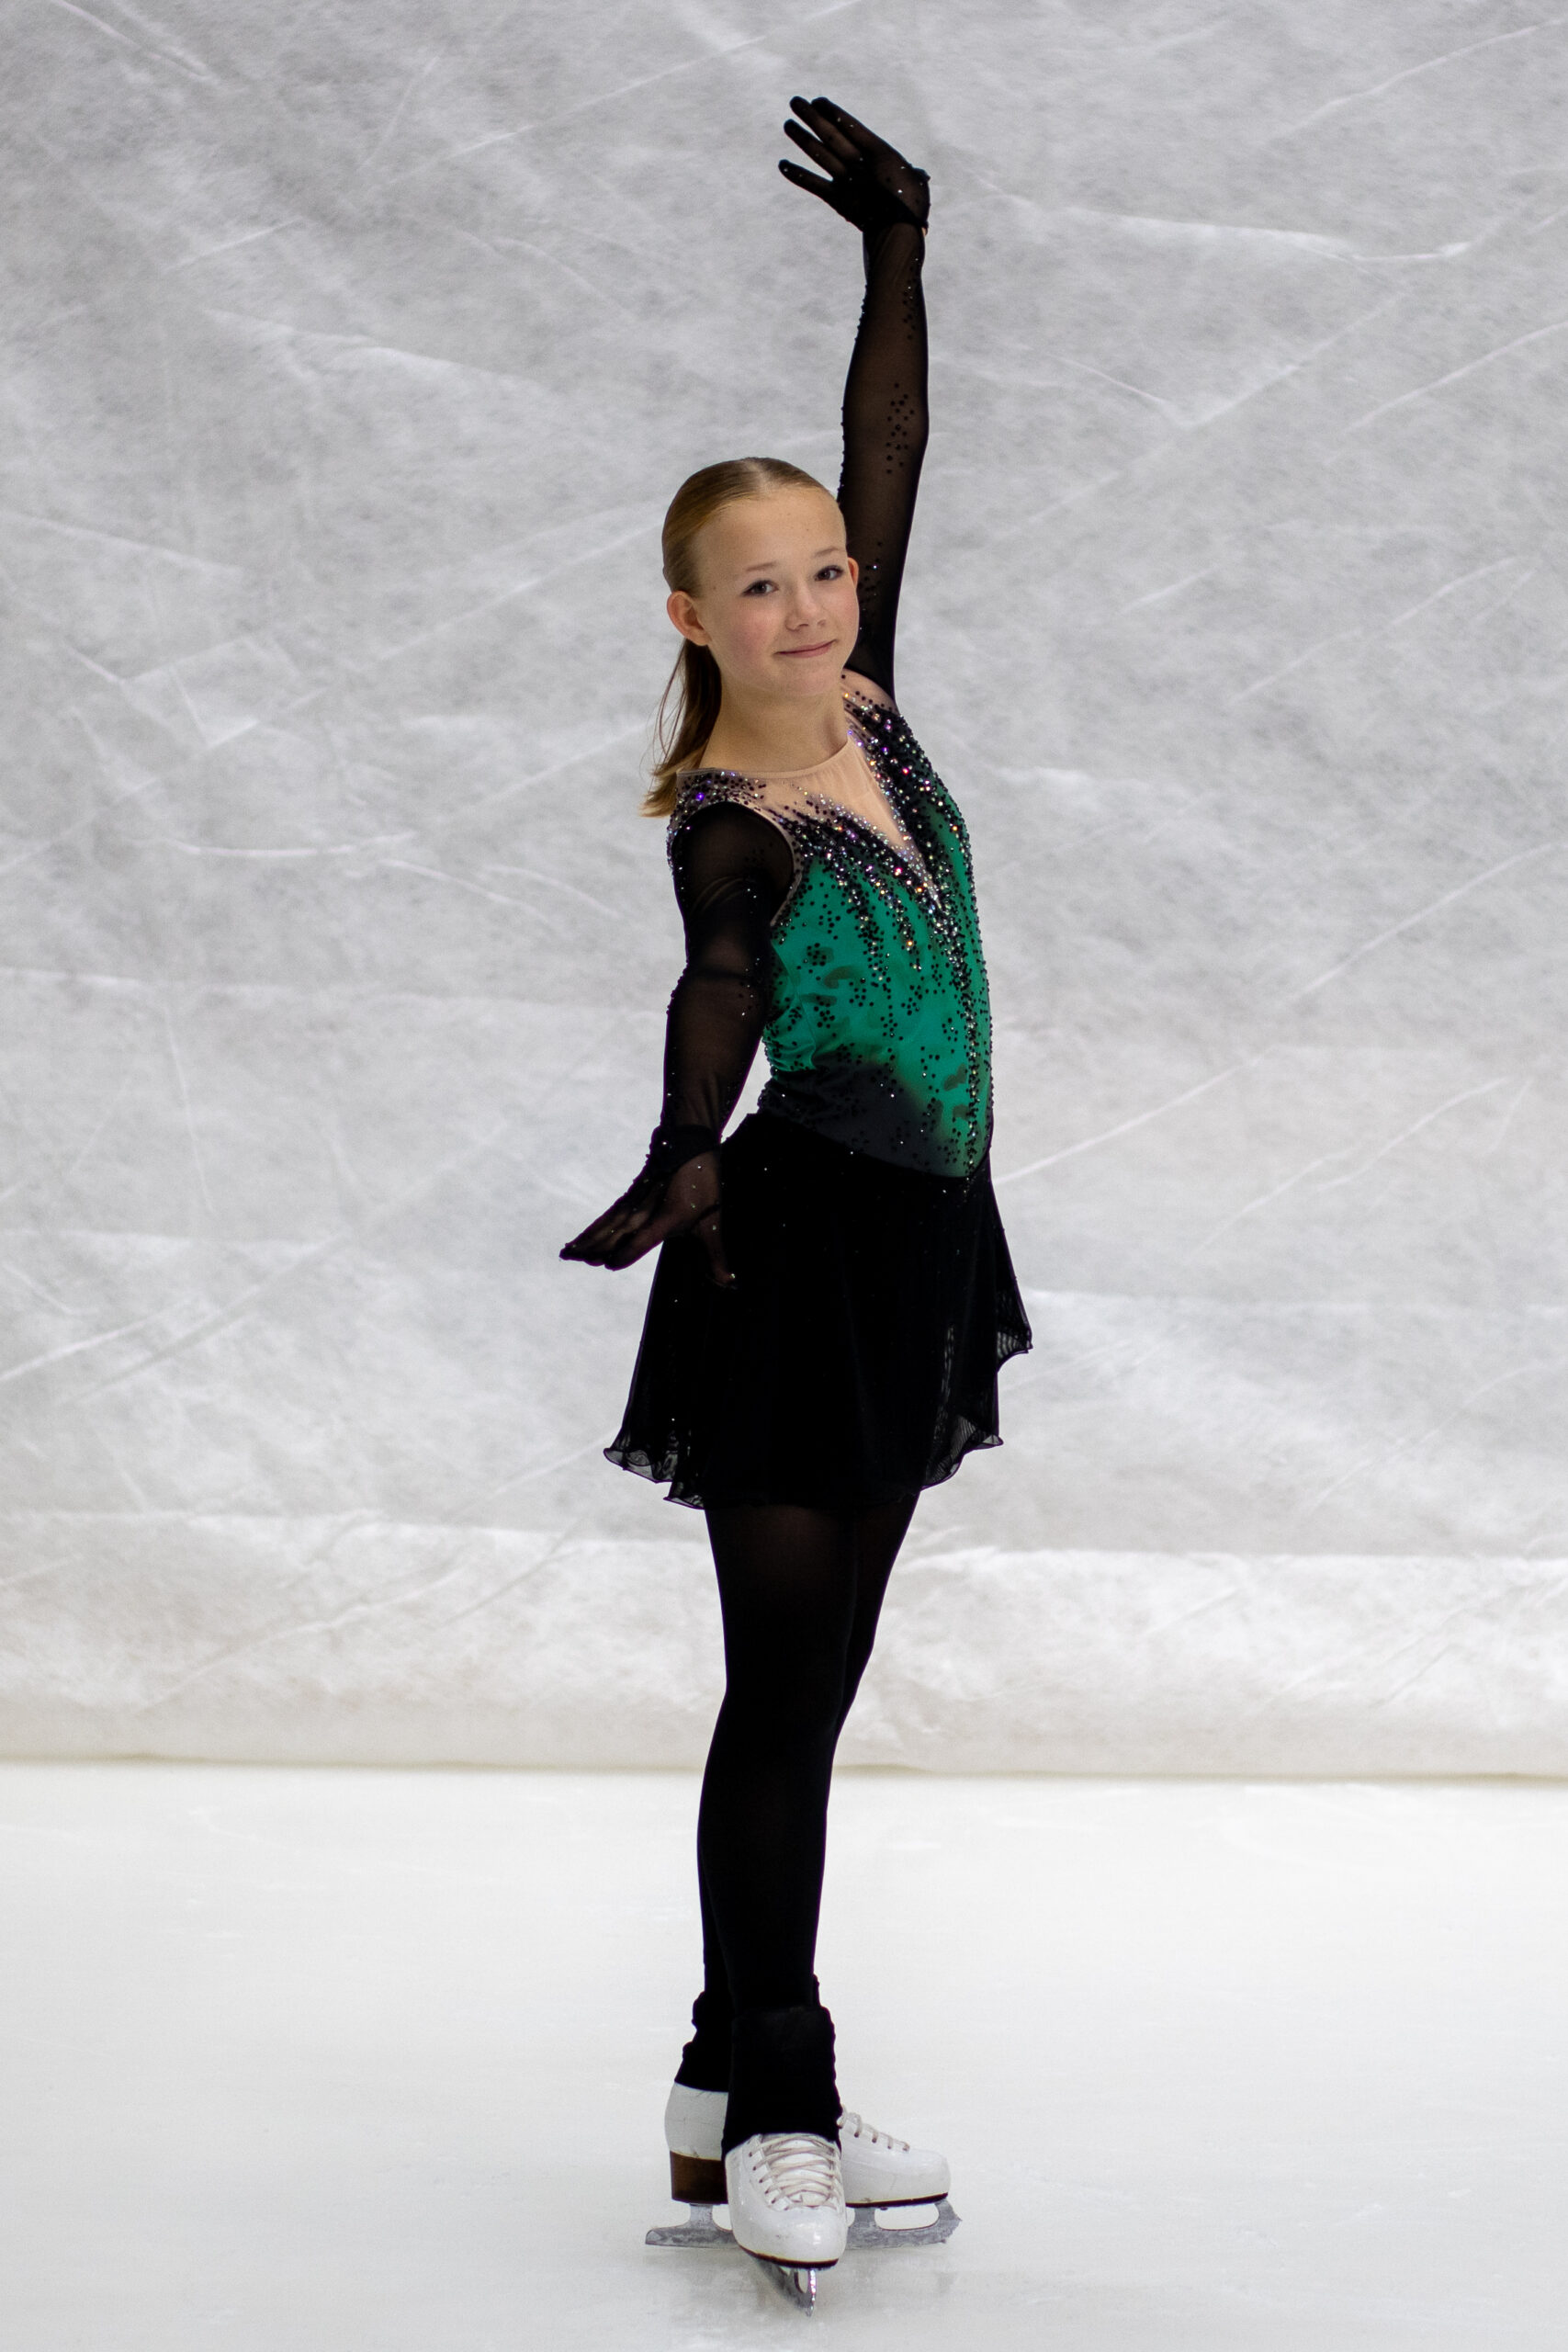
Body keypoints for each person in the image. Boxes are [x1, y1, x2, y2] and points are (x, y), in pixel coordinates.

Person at [561, 95, 1032, 2291]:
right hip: (792, 1256)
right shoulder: (735, 812)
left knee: (818, 1686)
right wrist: (683, 1139)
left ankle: (709, 2070)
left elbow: (889, 446)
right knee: (780, 1694)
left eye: (824, 568)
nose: (810, 601)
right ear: (691, 615)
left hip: (924, 1240)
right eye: (760, 585)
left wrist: (896, 255)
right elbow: (723, 979)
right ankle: (776, 2101)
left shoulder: (872, 700)